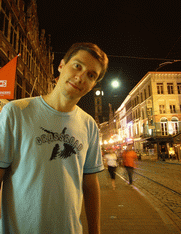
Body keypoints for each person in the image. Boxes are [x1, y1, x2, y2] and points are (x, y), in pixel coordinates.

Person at [0, 42, 108, 234]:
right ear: (61, 65)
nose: (81, 77)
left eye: (91, 75)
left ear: (93, 85)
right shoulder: (15, 113)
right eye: (77, 66)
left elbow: (91, 185)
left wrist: (95, 231)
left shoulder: (89, 124)